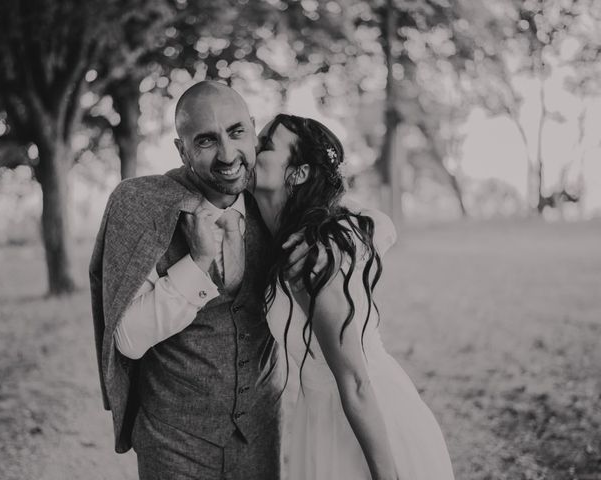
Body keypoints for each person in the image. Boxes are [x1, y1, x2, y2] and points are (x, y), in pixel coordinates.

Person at [90, 81, 283, 480]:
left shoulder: (276, 199)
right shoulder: (140, 205)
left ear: (253, 129)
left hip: (262, 433)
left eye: (236, 132)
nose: (228, 154)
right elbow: (127, 338)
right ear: (182, 150)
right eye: (207, 140)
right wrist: (197, 263)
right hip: (174, 440)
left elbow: (342, 212)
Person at [253, 114, 455, 480]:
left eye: (264, 145)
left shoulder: (315, 257)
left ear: (297, 173)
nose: (251, 148)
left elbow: (355, 381)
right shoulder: (288, 238)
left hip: (361, 418)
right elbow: (380, 226)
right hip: (318, 419)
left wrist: (386, 475)